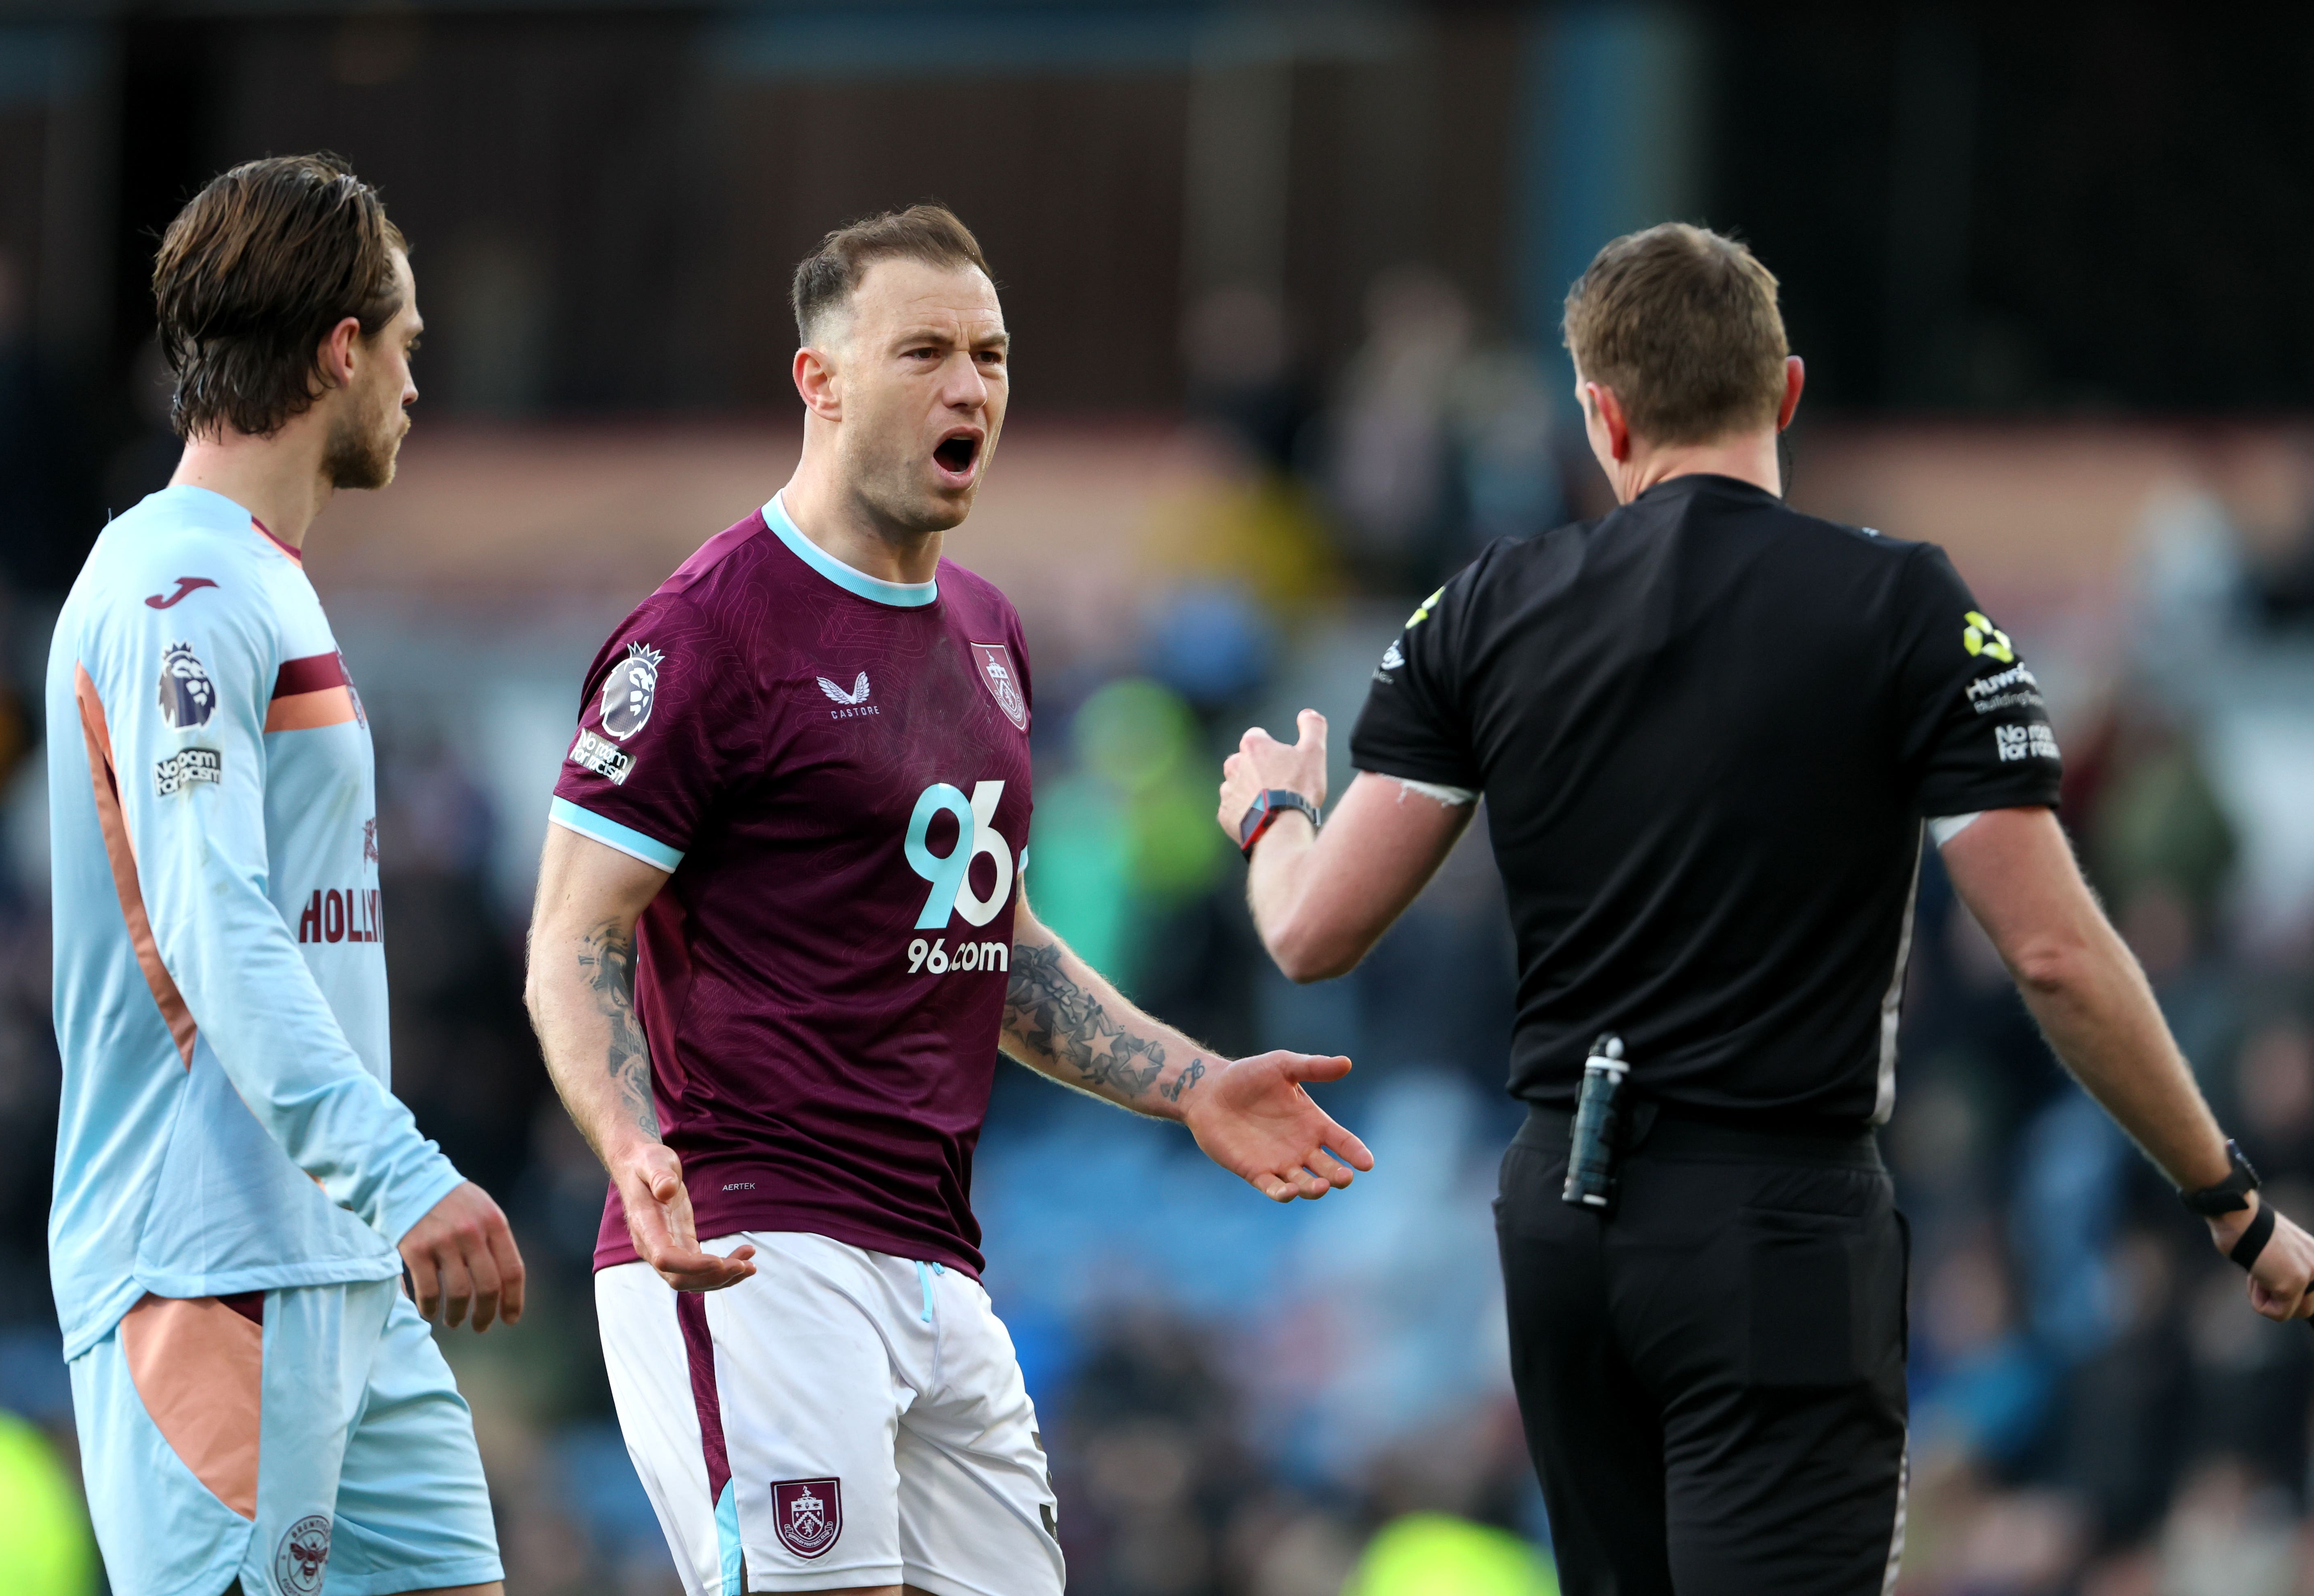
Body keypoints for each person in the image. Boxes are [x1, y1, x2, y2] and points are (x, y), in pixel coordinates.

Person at [1215, 222, 2314, 1596]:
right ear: (1786, 391)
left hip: (1559, 1224)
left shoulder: (1485, 606)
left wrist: (1275, 816)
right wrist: (2232, 1205)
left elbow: (1309, 933)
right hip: (1776, 1228)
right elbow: (2052, 954)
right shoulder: (1902, 606)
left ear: (1603, 417)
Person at [524, 204, 1371, 1596]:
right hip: (753, 1237)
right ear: (821, 380)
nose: (970, 386)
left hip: (936, 1256)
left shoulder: (988, 633)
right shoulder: (708, 632)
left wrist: (1195, 1086)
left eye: (991, 354)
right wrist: (629, 1143)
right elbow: (575, 930)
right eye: (924, 352)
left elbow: (998, 945)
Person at [45, 155, 522, 1596]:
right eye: (408, 345)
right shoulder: (176, 589)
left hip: (340, 1263)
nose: (415, 384)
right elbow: (214, 925)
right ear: (340, 350)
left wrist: (376, 1201)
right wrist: (403, 1170)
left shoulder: (254, 576)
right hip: (210, 1266)